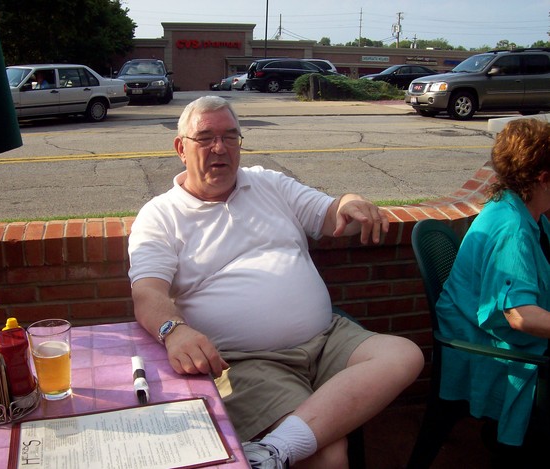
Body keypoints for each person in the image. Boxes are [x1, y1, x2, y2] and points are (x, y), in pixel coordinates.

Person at [127, 96, 424, 468]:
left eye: (230, 136)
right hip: (248, 361)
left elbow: (329, 212)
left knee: (403, 354)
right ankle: (281, 448)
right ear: (180, 148)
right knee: (329, 458)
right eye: (205, 138)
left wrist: (349, 200)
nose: (220, 147)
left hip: (327, 337)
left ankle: (271, 452)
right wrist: (174, 330)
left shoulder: (269, 183)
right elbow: (147, 292)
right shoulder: (160, 215)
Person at [436, 118, 550, 449]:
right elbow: (521, 316)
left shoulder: (521, 208)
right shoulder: (511, 228)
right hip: (492, 346)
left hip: (494, 334)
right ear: (544, 179)